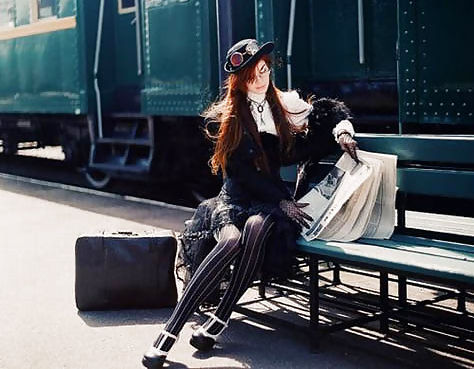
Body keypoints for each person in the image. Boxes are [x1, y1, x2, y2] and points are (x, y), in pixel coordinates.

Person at [142, 39, 358, 368]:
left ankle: (218, 321)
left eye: (265, 69)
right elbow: (240, 172)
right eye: (253, 73)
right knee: (230, 241)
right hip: (238, 195)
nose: (261, 77)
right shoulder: (231, 114)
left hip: (270, 202)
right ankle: (168, 332)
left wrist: (343, 129)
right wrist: (282, 200)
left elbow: (329, 112)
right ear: (240, 79)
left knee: (257, 230)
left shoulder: (285, 104)